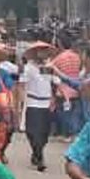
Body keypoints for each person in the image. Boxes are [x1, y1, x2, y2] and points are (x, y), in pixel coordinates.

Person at [20, 41, 59, 171]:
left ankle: (36, 154)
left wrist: (55, 98)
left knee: (44, 134)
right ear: (35, 53)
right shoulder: (28, 68)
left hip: (46, 104)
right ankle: (40, 157)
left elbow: (55, 83)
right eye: (40, 51)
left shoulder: (49, 67)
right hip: (32, 103)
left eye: (45, 51)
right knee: (33, 132)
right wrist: (20, 102)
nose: (43, 53)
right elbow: (21, 85)